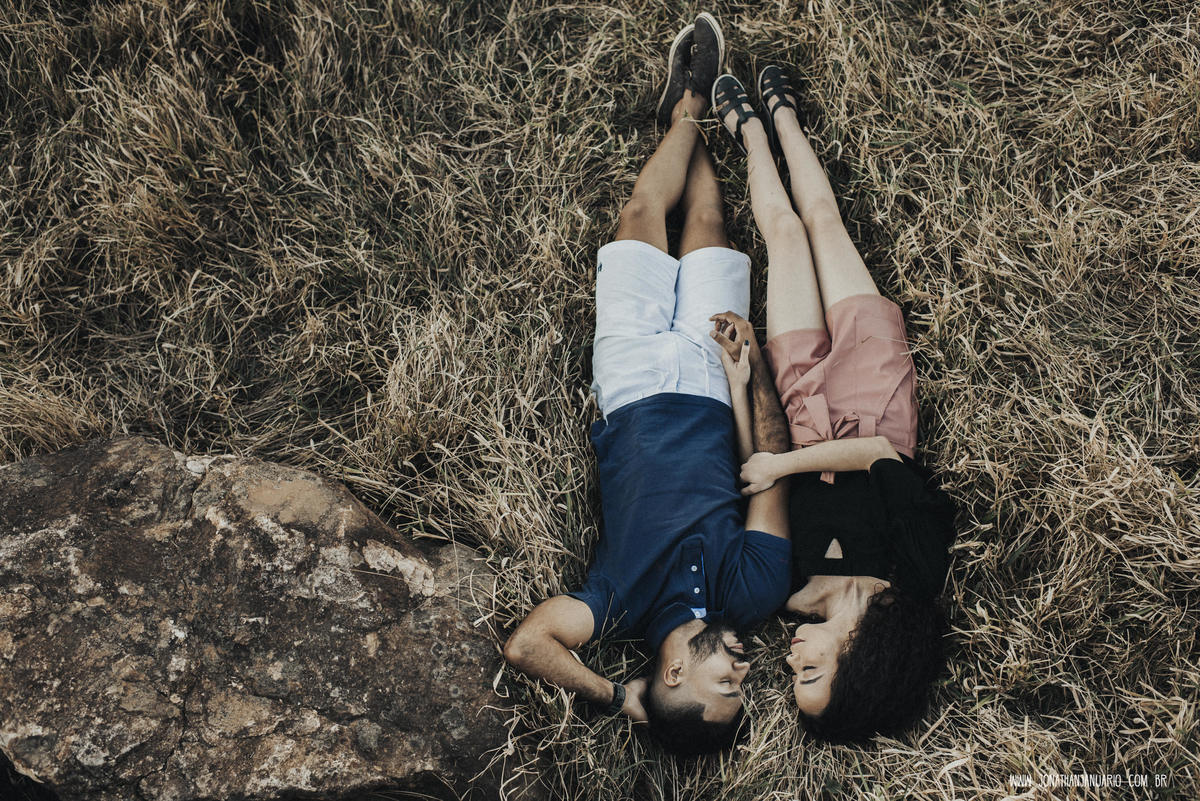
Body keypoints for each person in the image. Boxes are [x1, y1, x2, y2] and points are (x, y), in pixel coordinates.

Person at [503, 14, 793, 756]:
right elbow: (770, 461)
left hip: (629, 386)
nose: (743, 668)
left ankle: (689, 104)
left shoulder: (616, 604)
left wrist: (610, 694)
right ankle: (683, 113)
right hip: (707, 376)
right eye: (742, 682)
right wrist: (750, 365)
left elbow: (527, 643)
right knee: (705, 217)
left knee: (639, 214)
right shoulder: (751, 590)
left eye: (724, 683)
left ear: (670, 670)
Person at [711, 68, 957, 743]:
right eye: (811, 677)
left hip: (798, 398)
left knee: (783, 236)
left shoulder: (786, 592)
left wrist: (743, 386)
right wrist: (783, 468)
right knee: (823, 221)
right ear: (859, 665)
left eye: (794, 679)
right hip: (873, 394)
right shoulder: (913, 574)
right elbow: (880, 456)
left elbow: (759, 473)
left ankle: (753, 134)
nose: (793, 664)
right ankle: (786, 115)